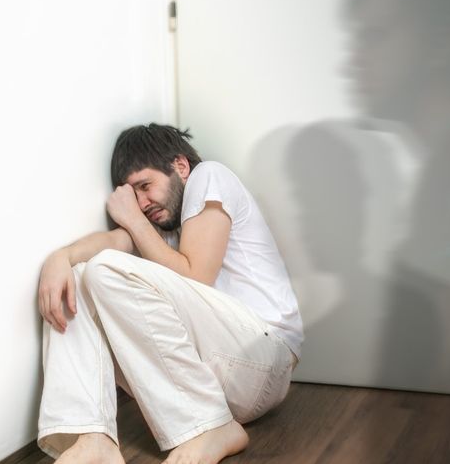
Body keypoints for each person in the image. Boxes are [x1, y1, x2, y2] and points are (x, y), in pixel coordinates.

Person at [36, 123, 303, 463]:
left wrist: (133, 219)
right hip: (213, 380)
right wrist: (61, 257)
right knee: (79, 275)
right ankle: (92, 436)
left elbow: (197, 275)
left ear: (180, 166)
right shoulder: (163, 227)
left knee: (105, 269)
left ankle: (211, 426)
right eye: (134, 196)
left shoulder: (210, 176)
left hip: (263, 358)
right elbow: (111, 243)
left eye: (145, 186)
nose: (142, 203)